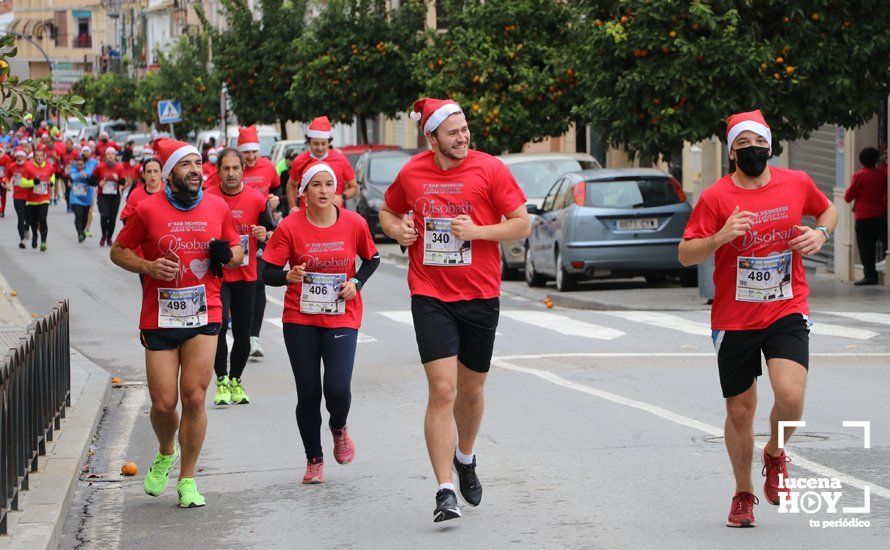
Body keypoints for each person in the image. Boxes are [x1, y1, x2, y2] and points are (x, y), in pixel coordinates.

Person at [678, 110, 837, 528]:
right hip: (735, 316)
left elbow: (828, 212)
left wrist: (821, 234)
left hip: (786, 306)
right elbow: (686, 252)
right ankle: (743, 493)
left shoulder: (796, 182)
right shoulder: (715, 197)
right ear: (731, 152)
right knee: (740, 411)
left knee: (790, 396)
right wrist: (720, 237)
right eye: (742, 146)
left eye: (757, 144)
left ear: (770, 145)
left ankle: (775, 453)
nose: (752, 151)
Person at [378, 98, 530, 522]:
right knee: (442, 390)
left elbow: (521, 222)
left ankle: (466, 456)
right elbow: (388, 211)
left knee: (471, 391)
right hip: (430, 292)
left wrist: (478, 231)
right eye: (453, 132)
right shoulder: (412, 173)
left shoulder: (490, 169)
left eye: (465, 130)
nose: (462, 137)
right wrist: (399, 230)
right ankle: (445, 489)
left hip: (480, 294)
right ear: (432, 138)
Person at [110, 138, 243, 508]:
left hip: (205, 311)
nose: (196, 170)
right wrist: (148, 266)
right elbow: (118, 251)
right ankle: (166, 449)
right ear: (170, 175)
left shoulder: (217, 206)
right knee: (165, 403)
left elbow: (236, 253)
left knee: (195, 397)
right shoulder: (148, 210)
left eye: (198, 163)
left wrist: (227, 254)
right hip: (160, 315)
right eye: (185, 165)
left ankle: (187, 479)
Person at [263, 158, 379, 484]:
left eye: (329, 184)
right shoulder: (289, 227)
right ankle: (314, 459)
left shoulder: (354, 223)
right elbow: (267, 271)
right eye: (316, 184)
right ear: (304, 191)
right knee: (310, 393)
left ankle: (339, 427)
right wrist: (288, 275)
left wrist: (356, 283)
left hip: (343, 315)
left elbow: (372, 259)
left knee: (337, 389)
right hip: (300, 318)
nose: (324, 190)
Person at [205, 148, 275, 405]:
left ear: (243, 170)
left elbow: (273, 234)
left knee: (243, 333)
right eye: (226, 168)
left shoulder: (257, 200)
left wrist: (263, 235)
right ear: (218, 171)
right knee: (220, 326)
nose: (231, 173)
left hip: (247, 276)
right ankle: (221, 379)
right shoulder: (208, 197)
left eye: (236, 168)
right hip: (218, 276)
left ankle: (236, 379)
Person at [234, 126, 282, 360]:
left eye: (254, 152)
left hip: (261, 232)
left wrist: (276, 199)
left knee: (259, 283)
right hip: (236, 233)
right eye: (246, 153)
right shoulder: (234, 168)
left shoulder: (268, 167)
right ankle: (235, 324)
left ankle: (254, 336)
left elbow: (277, 189)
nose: (251, 157)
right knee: (238, 284)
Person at [286, 116, 358, 213]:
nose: (320, 147)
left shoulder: (341, 159)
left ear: (329, 142)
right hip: (307, 214)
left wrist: (342, 197)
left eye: (323, 143)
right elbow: (291, 185)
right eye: (315, 144)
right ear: (309, 142)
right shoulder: (299, 160)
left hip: (335, 214)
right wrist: (293, 206)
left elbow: (354, 187)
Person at [844, 146, 888, 285]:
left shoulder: (860, 175)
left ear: (861, 160)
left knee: (865, 248)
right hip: (880, 214)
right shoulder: (882, 174)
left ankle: (870, 275)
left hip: (863, 217)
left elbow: (847, 197)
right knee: (879, 244)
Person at [20, 147, 56, 251]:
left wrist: (52, 182)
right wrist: (32, 182)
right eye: (37, 156)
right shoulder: (28, 168)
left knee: (43, 218)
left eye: (41, 155)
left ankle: (44, 241)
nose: (39, 157)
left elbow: (52, 175)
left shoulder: (49, 167)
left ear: (44, 157)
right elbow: (22, 183)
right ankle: (35, 235)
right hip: (32, 199)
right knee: (33, 221)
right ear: (34, 157)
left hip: (44, 198)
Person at [94, 147, 129, 246]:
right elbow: (92, 179)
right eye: (108, 154)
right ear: (105, 156)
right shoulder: (100, 167)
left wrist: (117, 179)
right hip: (103, 195)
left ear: (115, 156)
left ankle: (109, 237)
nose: (110, 155)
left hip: (114, 196)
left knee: (112, 218)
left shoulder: (119, 167)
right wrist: (99, 183)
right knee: (104, 215)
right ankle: (103, 235)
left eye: (112, 154)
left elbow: (123, 182)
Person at [68, 154, 97, 242]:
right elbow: (73, 176)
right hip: (75, 197)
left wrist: (87, 177)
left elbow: (92, 178)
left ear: (84, 164)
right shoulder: (73, 170)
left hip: (86, 197)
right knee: (78, 215)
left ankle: (82, 230)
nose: (79, 166)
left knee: (84, 217)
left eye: (81, 165)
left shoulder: (88, 170)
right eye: (78, 164)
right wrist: (81, 175)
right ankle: (80, 233)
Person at [7, 148, 30, 247]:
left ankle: (27, 228)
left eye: (21, 156)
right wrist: (7, 183)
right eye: (17, 156)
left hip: (29, 195)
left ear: (24, 157)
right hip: (17, 195)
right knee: (20, 217)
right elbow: (7, 177)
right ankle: (22, 240)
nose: (19, 158)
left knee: (28, 217)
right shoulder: (12, 167)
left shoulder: (29, 166)